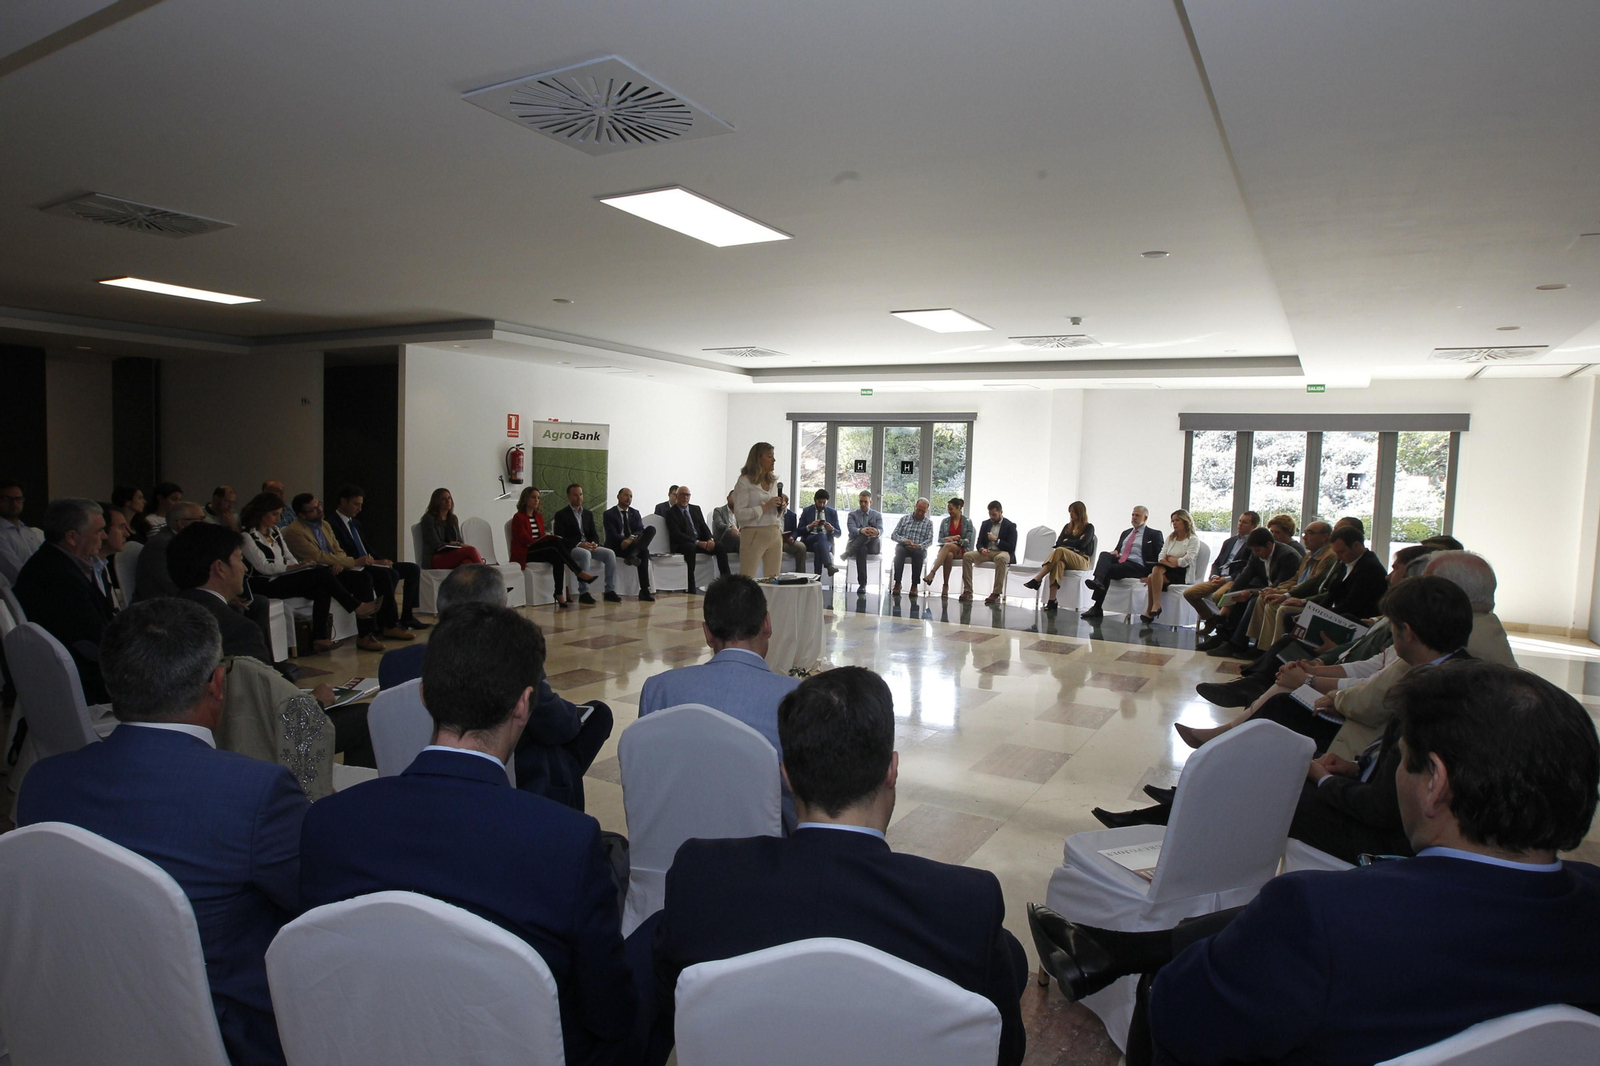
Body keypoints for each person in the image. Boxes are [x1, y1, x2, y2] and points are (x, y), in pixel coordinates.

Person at [1030, 661, 1600, 1066]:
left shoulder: (1325, 913)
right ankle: (1125, 951)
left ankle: (1134, 955)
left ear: (1436, 784)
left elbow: (1186, 1022)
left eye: (1401, 762)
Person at [299, 601, 638, 1066]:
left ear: (424, 697)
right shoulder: (566, 842)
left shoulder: (326, 823)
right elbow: (610, 1016)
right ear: (524, 705)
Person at [642, 666, 1030, 1066]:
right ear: (891, 769)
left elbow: (666, 1017)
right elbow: (1003, 1051)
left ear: (787, 777)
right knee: (1008, 955)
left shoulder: (700, 876)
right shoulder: (965, 905)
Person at [18, 598, 309, 1066]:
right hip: (224, 1038)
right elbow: (314, 905)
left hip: (73, 1026)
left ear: (112, 682)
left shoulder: (43, 784)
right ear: (217, 684)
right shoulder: (255, 792)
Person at [1093, 576, 1476, 864]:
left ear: (1407, 632)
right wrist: (1355, 766)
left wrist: (1323, 778)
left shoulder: (1427, 695)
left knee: (1265, 784)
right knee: (1264, 767)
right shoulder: (1456, 674)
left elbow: (1382, 809)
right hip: (1375, 794)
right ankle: (1168, 820)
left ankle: (1181, 847)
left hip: (1386, 837)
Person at [378, 564, 613, 810]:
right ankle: (557, 810)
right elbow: (558, 726)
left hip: (412, 776)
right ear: (498, 613)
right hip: (507, 780)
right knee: (584, 724)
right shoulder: (511, 658)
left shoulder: (392, 664)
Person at [638, 574, 802, 828]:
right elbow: (802, 806)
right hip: (763, 848)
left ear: (707, 633)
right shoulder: (798, 698)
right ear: (767, 624)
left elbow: (648, 782)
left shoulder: (658, 690)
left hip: (675, 844)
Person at [240, 492, 373, 652]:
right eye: (274, 514)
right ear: (261, 513)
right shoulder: (247, 537)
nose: (278, 518)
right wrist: (290, 568)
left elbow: (288, 556)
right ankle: (356, 606)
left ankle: (319, 637)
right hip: (264, 583)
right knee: (322, 574)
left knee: (322, 586)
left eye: (279, 514)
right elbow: (263, 566)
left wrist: (298, 565)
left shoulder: (274, 532)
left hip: (283, 577)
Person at [12, 498, 113, 703]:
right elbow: (91, 637)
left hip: (71, 667)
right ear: (72, 537)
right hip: (76, 678)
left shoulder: (56, 562)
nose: (104, 536)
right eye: (99, 531)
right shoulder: (58, 577)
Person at [286, 493, 412, 652]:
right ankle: (365, 627)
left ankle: (380, 628)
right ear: (302, 514)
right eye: (313, 509)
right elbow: (317, 556)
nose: (319, 510)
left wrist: (340, 562)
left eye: (319, 505)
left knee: (373, 576)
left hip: (335, 568)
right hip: (316, 573)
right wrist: (349, 562)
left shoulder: (324, 525)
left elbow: (339, 550)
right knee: (363, 578)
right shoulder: (294, 531)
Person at [328, 484, 430, 629]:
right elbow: (343, 552)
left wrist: (381, 560)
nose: (359, 509)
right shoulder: (331, 524)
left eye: (361, 504)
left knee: (412, 569)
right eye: (356, 504)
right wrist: (374, 562)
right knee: (390, 574)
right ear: (343, 501)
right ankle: (388, 622)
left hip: (369, 562)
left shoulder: (355, 524)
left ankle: (407, 616)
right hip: (356, 565)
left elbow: (367, 548)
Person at [1196, 527, 1302, 656]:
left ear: (1269, 545)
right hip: (1265, 589)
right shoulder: (1256, 554)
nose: (1256, 554)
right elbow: (1244, 576)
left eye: (1258, 550)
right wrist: (1228, 600)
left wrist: (1251, 593)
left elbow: (1280, 585)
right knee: (1237, 597)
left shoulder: (1288, 556)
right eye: (1253, 551)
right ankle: (1224, 637)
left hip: (1282, 592)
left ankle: (1237, 644)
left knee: (1251, 601)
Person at [510, 486, 597, 609]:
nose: (536, 500)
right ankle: (579, 572)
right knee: (555, 545)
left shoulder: (538, 516)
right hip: (526, 552)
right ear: (525, 499)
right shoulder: (518, 517)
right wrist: (541, 541)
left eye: (538, 498)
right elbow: (523, 539)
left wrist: (545, 539)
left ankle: (559, 593)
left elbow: (541, 535)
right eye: (533, 497)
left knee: (558, 557)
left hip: (539, 549)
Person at [1180, 511, 1260, 629]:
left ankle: (1225, 625)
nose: (1240, 524)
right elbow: (1217, 562)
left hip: (1234, 579)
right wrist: (1214, 575)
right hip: (1219, 577)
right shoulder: (1229, 542)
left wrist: (1226, 579)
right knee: (1189, 593)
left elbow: (1247, 569)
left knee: (1218, 596)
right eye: (1240, 521)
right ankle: (1210, 620)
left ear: (1253, 526)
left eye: (1245, 522)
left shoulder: (1253, 545)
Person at [1081, 506, 1164, 620]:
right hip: (1122, 561)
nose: (1134, 517)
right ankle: (1098, 580)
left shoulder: (1154, 534)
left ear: (1145, 518)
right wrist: (1116, 553)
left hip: (1138, 565)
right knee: (1104, 554)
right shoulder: (1126, 533)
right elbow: (1118, 550)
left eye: (1137, 515)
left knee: (1109, 570)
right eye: (1133, 515)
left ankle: (1097, 606)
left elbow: (1158, 556)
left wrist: (1151, 575)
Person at [1021, 500, 1093, 611]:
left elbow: (1082, 544)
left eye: (1073, 511)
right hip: (1066, 557)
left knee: (1060, 551)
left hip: (1082, 559)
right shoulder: (1067, 527)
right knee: (1058, 563)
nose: (1071, 514)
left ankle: (1038, 578)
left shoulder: (1088, 527)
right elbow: (1059, 542)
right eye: (1070, 512)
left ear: (1080, 512)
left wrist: (1067, 541)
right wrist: (1074, 541)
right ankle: (1052, 600)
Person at [555, 483, 620, 604]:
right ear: (568, 497)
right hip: (572, 548)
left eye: (581, 494)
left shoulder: (588, 514)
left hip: (588, 546)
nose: (579, 498)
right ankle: (584, 592)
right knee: (585, 554)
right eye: (575, 495)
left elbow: (593, 533)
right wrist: (579, 544)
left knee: (610, 553)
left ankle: (609, 590)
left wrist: (594, 543)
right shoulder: (561, 515)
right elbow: (560, 537)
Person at [731, 441, 785, 580]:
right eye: (769, 456)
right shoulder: (744, 482)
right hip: (753, 534)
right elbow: (740, 514)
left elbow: (775, 512)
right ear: (758, 458)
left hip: (774, 532)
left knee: (773, 579)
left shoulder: (773, 482)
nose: (774, 460)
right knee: (747, 578)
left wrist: (781, 507)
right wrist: (765, 507)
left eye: (773, 456)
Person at [133, 500, 205, 600]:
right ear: (181, 523)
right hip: (160, 604)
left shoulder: (181, 541)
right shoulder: (162, 545)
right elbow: (172, 584)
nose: (205, 523)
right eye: (200, 519)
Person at [663, 485, 728, 593]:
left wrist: (710, 539)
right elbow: (677, 534)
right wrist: (697, 542)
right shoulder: (670, 512)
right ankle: (691, 585)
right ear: (676, 496)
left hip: (700, 542)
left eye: (687, 495)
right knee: (690, 547)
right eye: (682, 495)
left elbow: (703, 526)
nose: (685, 497)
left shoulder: (695, 509)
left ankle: (727, 581)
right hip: (683, 543)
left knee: (720, 546)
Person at [1138, 509, 1198, 624]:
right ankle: (1155, 606)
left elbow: (1186, 561)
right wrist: (1170, 562)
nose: (1174, 523)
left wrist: (1171, 559)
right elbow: (1161, 556)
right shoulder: (1171, 538)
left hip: (1182, 572)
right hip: (1168, 569)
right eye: (1173, 521)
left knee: (1151, 577)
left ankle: (1151, 609)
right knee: (1156, 569)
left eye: (1177, 520)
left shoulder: (1193, 540)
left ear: (1185, 522)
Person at [603, 487, 656, 601]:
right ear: (618, 496)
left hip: (632, 544)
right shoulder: (609, 514)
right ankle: (644, 590)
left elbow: (640, 529)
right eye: (626, 495)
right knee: (644, 551)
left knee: (651, 529)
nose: (628, 498)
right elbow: (611, 534)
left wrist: (630, 539)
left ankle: (634, 554)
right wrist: (625, 540)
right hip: (617, 545)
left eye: (631, 496)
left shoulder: (635, 513)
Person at [962, 500, 1019, 605]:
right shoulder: (985, 524)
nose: (992, 517)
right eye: (990, 514)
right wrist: (981, 549)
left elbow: (1011, 547)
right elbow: (979, 542)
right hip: (987, 552)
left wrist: (996, 540)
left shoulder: (1010, 525)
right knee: (967, 556)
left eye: (994, 514)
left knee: (1000, 558)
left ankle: (996, 593)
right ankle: (968, 591)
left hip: (1003, 552)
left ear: (1001, 512)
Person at [417, 487, 484, 569]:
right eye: (443, 499)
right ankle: (486, 574)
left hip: (452, 554)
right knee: (471, 550)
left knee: (467, 563)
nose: (448, 501)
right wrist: (450, 544)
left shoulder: (453, 519)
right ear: (436, 502)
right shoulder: (428, 519)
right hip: (434, 557)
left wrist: (457, 544)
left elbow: (459, 540)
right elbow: (436, 544)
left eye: (449, 498)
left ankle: (479, 575)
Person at [922, 497, 975, 598]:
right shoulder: (945, 522)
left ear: (959, 508)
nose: (949, 511)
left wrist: (958, 540)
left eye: (951, 509)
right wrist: (949, 538)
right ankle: (945, 586)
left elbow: (968, 541)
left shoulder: (967, 521)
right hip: (947, 550)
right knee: (949, 555)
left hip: (961, 549)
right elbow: (940, 539)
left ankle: (932, 573)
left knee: (947, 546)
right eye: (948, 509)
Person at [0, 480, 44, 582]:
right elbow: (15, 571)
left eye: (18, 499)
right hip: (17, 589)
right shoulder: (1, 534)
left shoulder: (28, 532)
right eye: (6, 499)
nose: (14, 503)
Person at [889, 497, 935, 595]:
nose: (920, 513)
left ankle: (914, 585)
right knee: (899, 551)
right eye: (918, 510)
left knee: (919, 554)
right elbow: (894, 535)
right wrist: (904, 540)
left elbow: (930, 540)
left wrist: (919, 546)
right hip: (904, 546)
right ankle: (897, 583)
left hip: (919, 548)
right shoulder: (904, 519)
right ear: (915, 507)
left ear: (927, 511)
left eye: (923, 511)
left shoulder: (928, 523)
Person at [841, 491, 884, 592]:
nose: (863, 504)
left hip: (873, 544)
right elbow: (851, 529)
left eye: (865, 502)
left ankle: (848, 552)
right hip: (857, 543)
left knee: (867, 534)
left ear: (871, 502)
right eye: (861, 501)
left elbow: (881, 530)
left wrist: (876, 532)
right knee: (862, 548)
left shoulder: (877, 515)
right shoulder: (852, 515)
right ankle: (862, 584)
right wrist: (861, 530)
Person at [95, 501, 132, 611]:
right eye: (121, 527)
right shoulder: (90, 568)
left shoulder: (102, 564)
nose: (127, 534)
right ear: (102, 530)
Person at [797, 489, 841, 578]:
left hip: (825, 542)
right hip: (809, 539)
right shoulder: (807, 511)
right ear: (815, 500)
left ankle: (817, 579)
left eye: (824, 503)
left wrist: (831, 529)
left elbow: (839, 533)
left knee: (818, 546)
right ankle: (829, 565)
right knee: (820, 535)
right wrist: (810, 526)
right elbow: (799, 530)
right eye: (819, 502)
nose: (821, 505)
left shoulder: (832, 512)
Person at [775, 494, 808, 572]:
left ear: (787, 504)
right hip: (773, 541)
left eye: (783, 503)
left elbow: (795, 530)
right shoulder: (771, 513)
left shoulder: (792, 515)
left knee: (801, 547)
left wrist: (792, 537)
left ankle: (800, 574)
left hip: (786, 542)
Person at [711, 491, 742, 557]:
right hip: (723, 541)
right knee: (729, 531)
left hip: (736, 541)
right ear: (728, 498)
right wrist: (731, 527)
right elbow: (719, 524)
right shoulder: (718, 510)